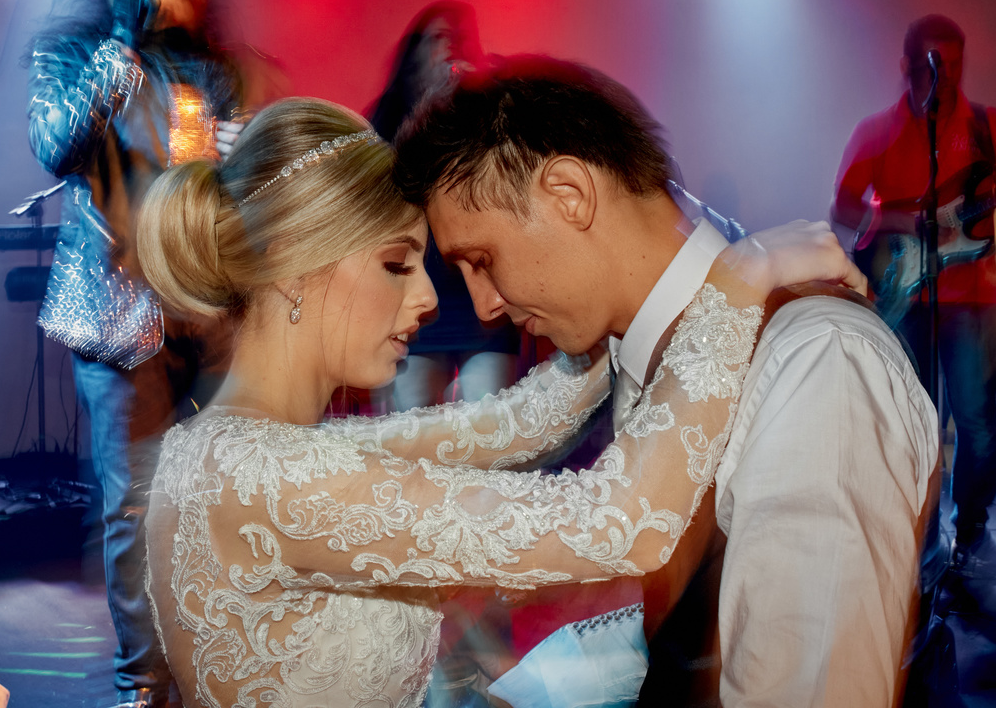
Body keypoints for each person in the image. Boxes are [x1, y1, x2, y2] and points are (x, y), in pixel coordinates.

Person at [134, 95, 865, 707]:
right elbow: (621, 525)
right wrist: (738, 282)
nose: (429, 298)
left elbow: (522, 423)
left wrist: (611, 289)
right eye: (396, 263)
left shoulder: (249, 452)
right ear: (294, 266)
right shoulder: (260, 476)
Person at [393, 56, 939, 705]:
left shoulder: (813, 360)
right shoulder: (631, 346)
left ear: (569, 195)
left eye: (482, 260)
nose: (484, 306)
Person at [25, 0, 272, 705]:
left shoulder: (221, 74)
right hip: (118, 311)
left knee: (216, 496)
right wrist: (120, 50)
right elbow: (58, 145)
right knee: (135, 505)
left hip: (211, 310)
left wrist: (246, 166)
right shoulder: (73, 56)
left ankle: (216, 663)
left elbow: (238, 197)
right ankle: (144, 683)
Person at [832, 15, 996, 579]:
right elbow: (843, 207)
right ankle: (917, 544)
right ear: (907, 66)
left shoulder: (986, 129)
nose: (945, 77)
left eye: (954, 65)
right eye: (933, 65)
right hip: (906, 299)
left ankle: (969, 533)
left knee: (978, 427)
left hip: (970, 300)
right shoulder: (878, 131)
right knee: (914, 426)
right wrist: (907, 221)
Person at [368, 1, 520, 411]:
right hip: (416, 305)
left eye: (462, 37)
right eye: (440, 37)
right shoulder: (385, 124)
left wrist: (483, 102)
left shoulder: (487, 110)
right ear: (415, 54)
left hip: (482, 304)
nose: (453, 45)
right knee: (412, 425)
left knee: (492, 423)